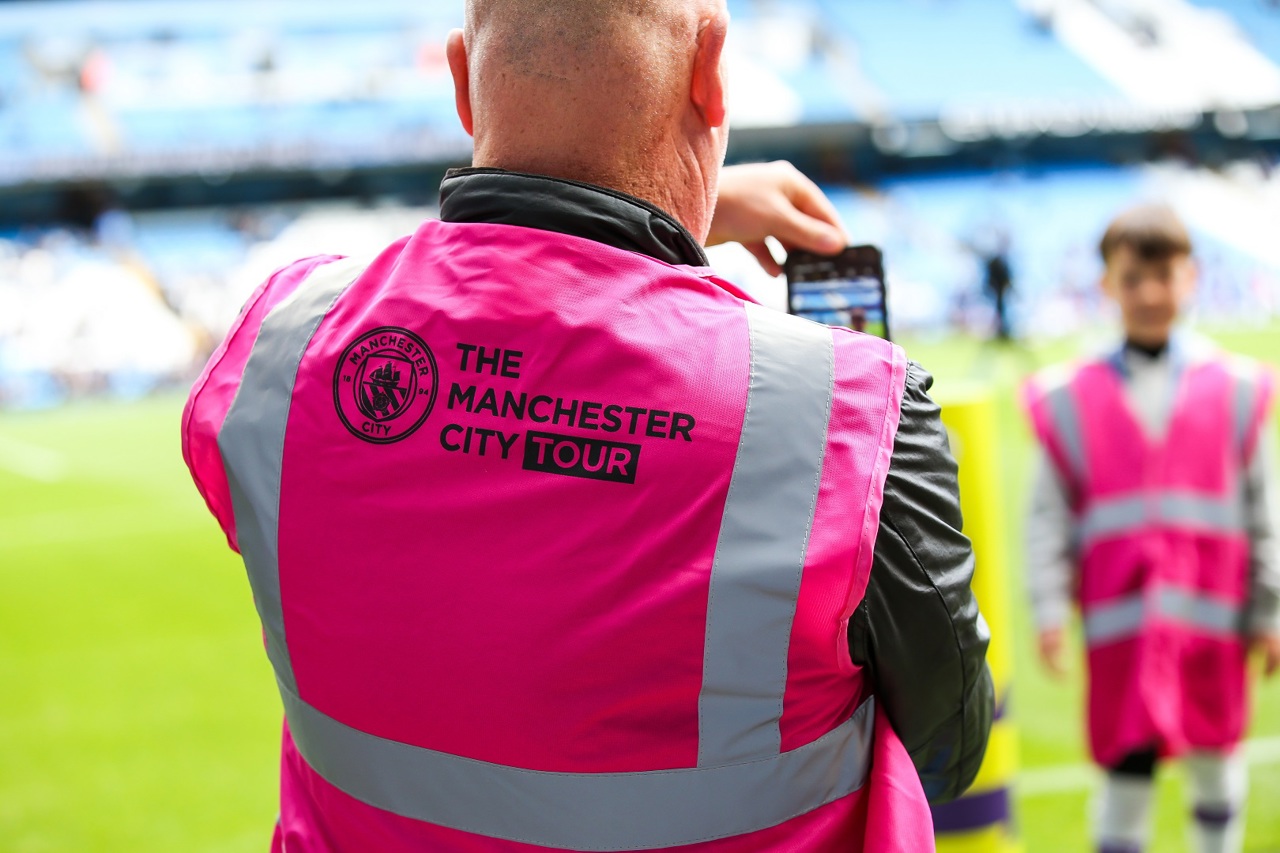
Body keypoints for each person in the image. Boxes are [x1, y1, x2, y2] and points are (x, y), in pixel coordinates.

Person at [183, 1, 993, 849]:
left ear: (462, 83)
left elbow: (473, 300)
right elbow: (947, 743)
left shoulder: (281, 340)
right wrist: (663, 216)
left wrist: (625, 219)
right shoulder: (848, 410)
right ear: (713, 73)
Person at [1023, 204, 1280, 853]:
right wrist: (1050, 606)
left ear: (1191, 277)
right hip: (1123, 627)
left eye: (1164, 275)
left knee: (1216, 766)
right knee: (1126, 774)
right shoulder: (1068, 397)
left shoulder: (1237, 388)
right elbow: (1047, 519)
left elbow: (1263, 510)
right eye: (1133, 278)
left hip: (1213, 627)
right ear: (1107, 285)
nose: (1150, 293)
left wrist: (1271, 610)